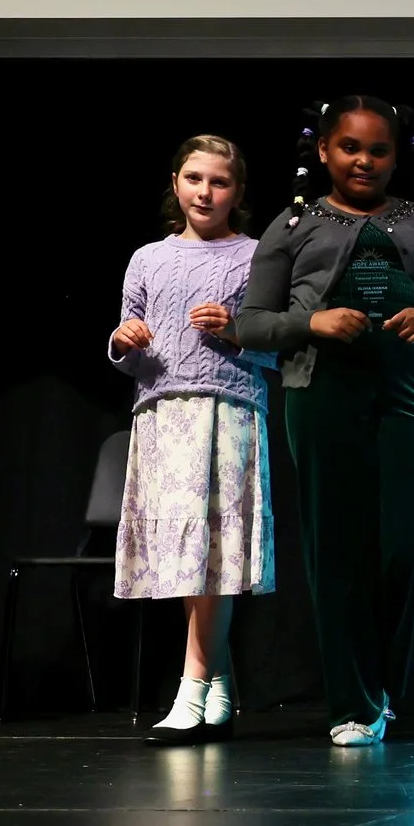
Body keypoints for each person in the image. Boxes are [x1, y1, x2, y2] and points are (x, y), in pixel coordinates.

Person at [236, 97, 414, 747]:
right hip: (323, 392)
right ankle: (354, 703)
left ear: (397, 157)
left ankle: (382, 683)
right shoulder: (293, 225)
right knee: (338, 551)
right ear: (323, 150)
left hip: (409, 391)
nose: (363, 161)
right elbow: (250, 324)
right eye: (349, 147)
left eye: (378, 150)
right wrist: (311, 321)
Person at [109, 135, 276, 741]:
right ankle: (219, 681)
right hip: (161, 415)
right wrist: (123, 341)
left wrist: (236, 331)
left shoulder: (256, 257)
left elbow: (281, 348)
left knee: (215, 552)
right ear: (176, 184)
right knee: (187, 555)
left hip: (227, 410)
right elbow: (131, 342)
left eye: (219, 182)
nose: (205, 192)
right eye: (194, 179)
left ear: (238, 191)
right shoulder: (147, 258)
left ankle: (192, 687)